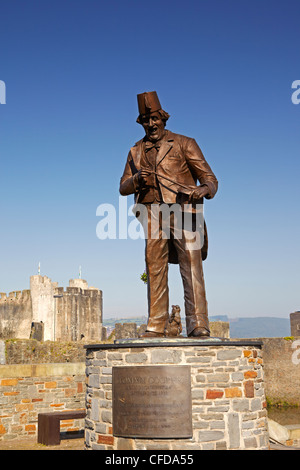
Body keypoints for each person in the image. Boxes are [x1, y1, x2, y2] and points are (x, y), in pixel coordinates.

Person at [119, 91, 218, 338]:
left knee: (192, 266)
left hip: (184, 210)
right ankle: (157, 324)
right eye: (145, 120)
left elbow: (209, 178)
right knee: (155, 267)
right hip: (151, 212)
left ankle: (198, 324)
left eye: (154, 118)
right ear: (140, 122)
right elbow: (122, 187)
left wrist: (203, 190)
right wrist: (136, 179)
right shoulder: (135, 151)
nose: (151, 124)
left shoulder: (185, 143)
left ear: (163, 118)